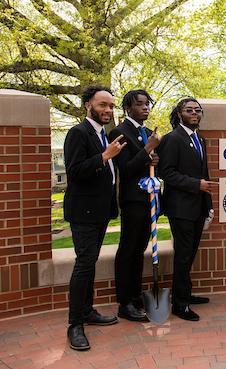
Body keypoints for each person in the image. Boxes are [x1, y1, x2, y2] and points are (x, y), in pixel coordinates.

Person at [64, 85, 126, 350]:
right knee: (84, 264)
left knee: (90, 263)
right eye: (103, 105)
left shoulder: (104, 135)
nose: (108, 110)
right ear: (88, 105)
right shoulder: (78, 133)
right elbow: (75, 171)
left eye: (111, 106)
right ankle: (74, 324)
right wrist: (104, 156)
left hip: (100, 212)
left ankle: (88, 312)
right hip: (84, 212)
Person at [157, 98, 215, 321]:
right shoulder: (172, 139)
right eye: (189, 110)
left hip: (198, 207)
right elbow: (166, 172)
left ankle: (186, 293)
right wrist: (195, 185)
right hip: (180, 208)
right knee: (182, 256)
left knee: (189, 254)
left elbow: (205, 176)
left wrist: (208, 207)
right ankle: (180, 305)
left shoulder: (199, 139)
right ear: (179, 114)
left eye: (197, 110)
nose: (194, 113)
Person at [109, 89, 161, 322]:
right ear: (128, 108)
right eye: (139, 104)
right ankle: (124, 302)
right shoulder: (119, 132)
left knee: (140, 250)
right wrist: (148, 149)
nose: (145, 107)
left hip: (148, 200)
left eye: (147, 104)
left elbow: (148, 165)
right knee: (128, 250)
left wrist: (154, 159)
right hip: (132, 201)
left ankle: (135, 294)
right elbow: (127, 168)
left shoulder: (149, 133)